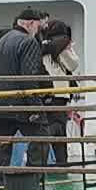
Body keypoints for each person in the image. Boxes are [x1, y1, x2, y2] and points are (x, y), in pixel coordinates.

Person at [0, 9, 54, 190]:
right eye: (37, 26)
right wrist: (35, 107)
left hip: (0, 103)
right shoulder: (28, 42)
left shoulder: (3, 40)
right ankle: (33, 183)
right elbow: (29, 76)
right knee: (41, 138)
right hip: (20, 104)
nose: (38, 30)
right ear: (30, 23)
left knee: (2, 146)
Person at [40, 18, 79, 167]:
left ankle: (43, 163)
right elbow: (73, 64)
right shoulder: (60, 46)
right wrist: (70, 49)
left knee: (48, 129)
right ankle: (61, 164)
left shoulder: (43, 45)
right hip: (59, 93)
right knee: (59, 131)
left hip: (46, 93)